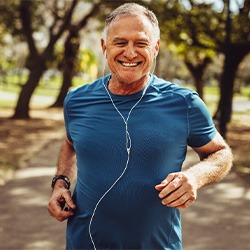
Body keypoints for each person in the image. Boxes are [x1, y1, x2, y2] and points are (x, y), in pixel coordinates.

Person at [47, 3, 233, 249]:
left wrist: (194, 177)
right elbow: (71, 144)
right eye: (120, 42)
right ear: (105, 47)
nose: (130, 53)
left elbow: (221, 153)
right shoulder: (77, 100)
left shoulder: (185, 103)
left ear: (155, 48)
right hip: (83, 242)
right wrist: (61, 183)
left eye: (141, 43)